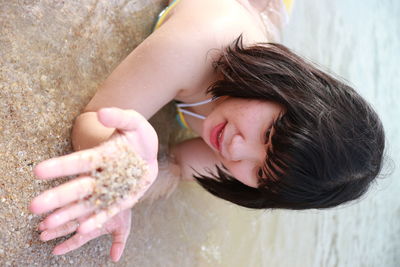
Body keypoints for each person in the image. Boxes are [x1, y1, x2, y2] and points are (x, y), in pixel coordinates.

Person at [29, 0, 385, 262]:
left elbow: (179, 165)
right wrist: (115, 157)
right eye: (268, 135)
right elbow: (91, 118)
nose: (235, 150)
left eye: (261, 171)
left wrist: (130, 182)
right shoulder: (198, 44)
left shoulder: (248, 142)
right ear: (290, 90)